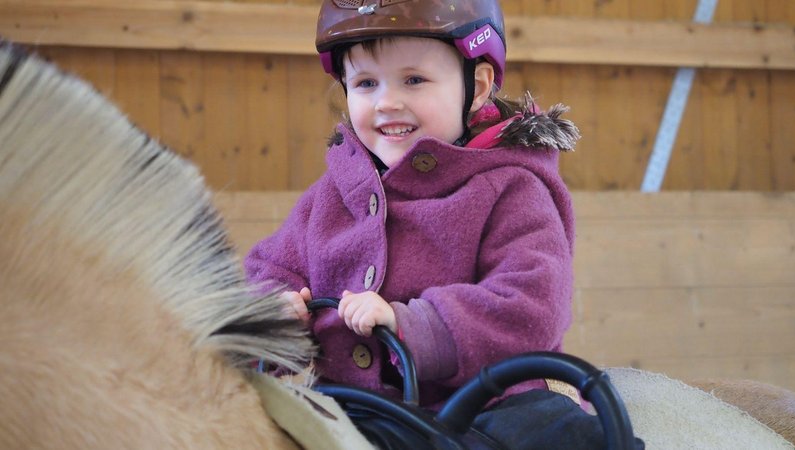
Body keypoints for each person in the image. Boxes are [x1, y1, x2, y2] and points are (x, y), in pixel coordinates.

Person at [246, 2, 642, 448]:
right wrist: (269, 313)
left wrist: (414, 324)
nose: (387, 102)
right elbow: (270, 269)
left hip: (487, 410)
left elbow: (533, 304)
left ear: (477, 86)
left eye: (413, 80)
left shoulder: (512, 188)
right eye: (365, 83)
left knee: (554, 435)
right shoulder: (331, 196)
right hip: (346, 407)